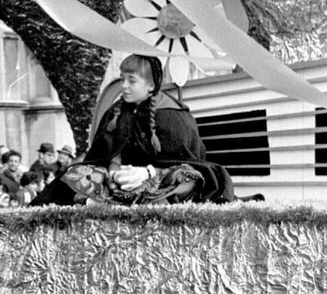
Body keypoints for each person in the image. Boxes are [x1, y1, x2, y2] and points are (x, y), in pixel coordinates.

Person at [43, 54, 231, 206]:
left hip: (156, 185)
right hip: (115, 185)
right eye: (122, 79)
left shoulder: (173, 115)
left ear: (151, 85)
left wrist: (147, 173)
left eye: (131, 81)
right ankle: (113, 202)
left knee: (188, 176)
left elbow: (189, 164)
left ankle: (114, 204)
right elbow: (106, 156)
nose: (124, 86)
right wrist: (115, 174)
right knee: (75, 173)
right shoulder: (115, 112)